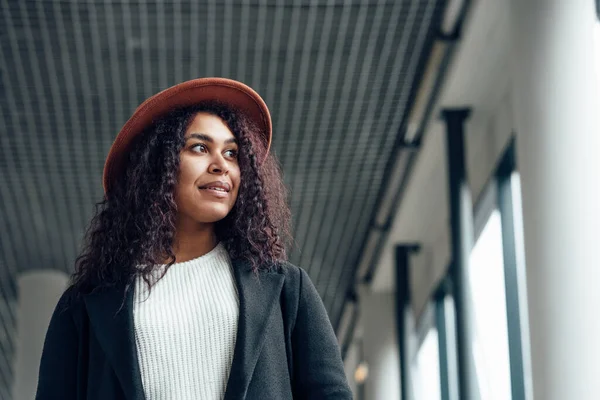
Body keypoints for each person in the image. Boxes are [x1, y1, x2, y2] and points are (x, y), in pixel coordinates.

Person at [35, 78, 353, 400]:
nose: (221, 166)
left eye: (232, 153)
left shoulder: (287, 289)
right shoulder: (85, 306)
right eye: (199, 148)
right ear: (156, 166)